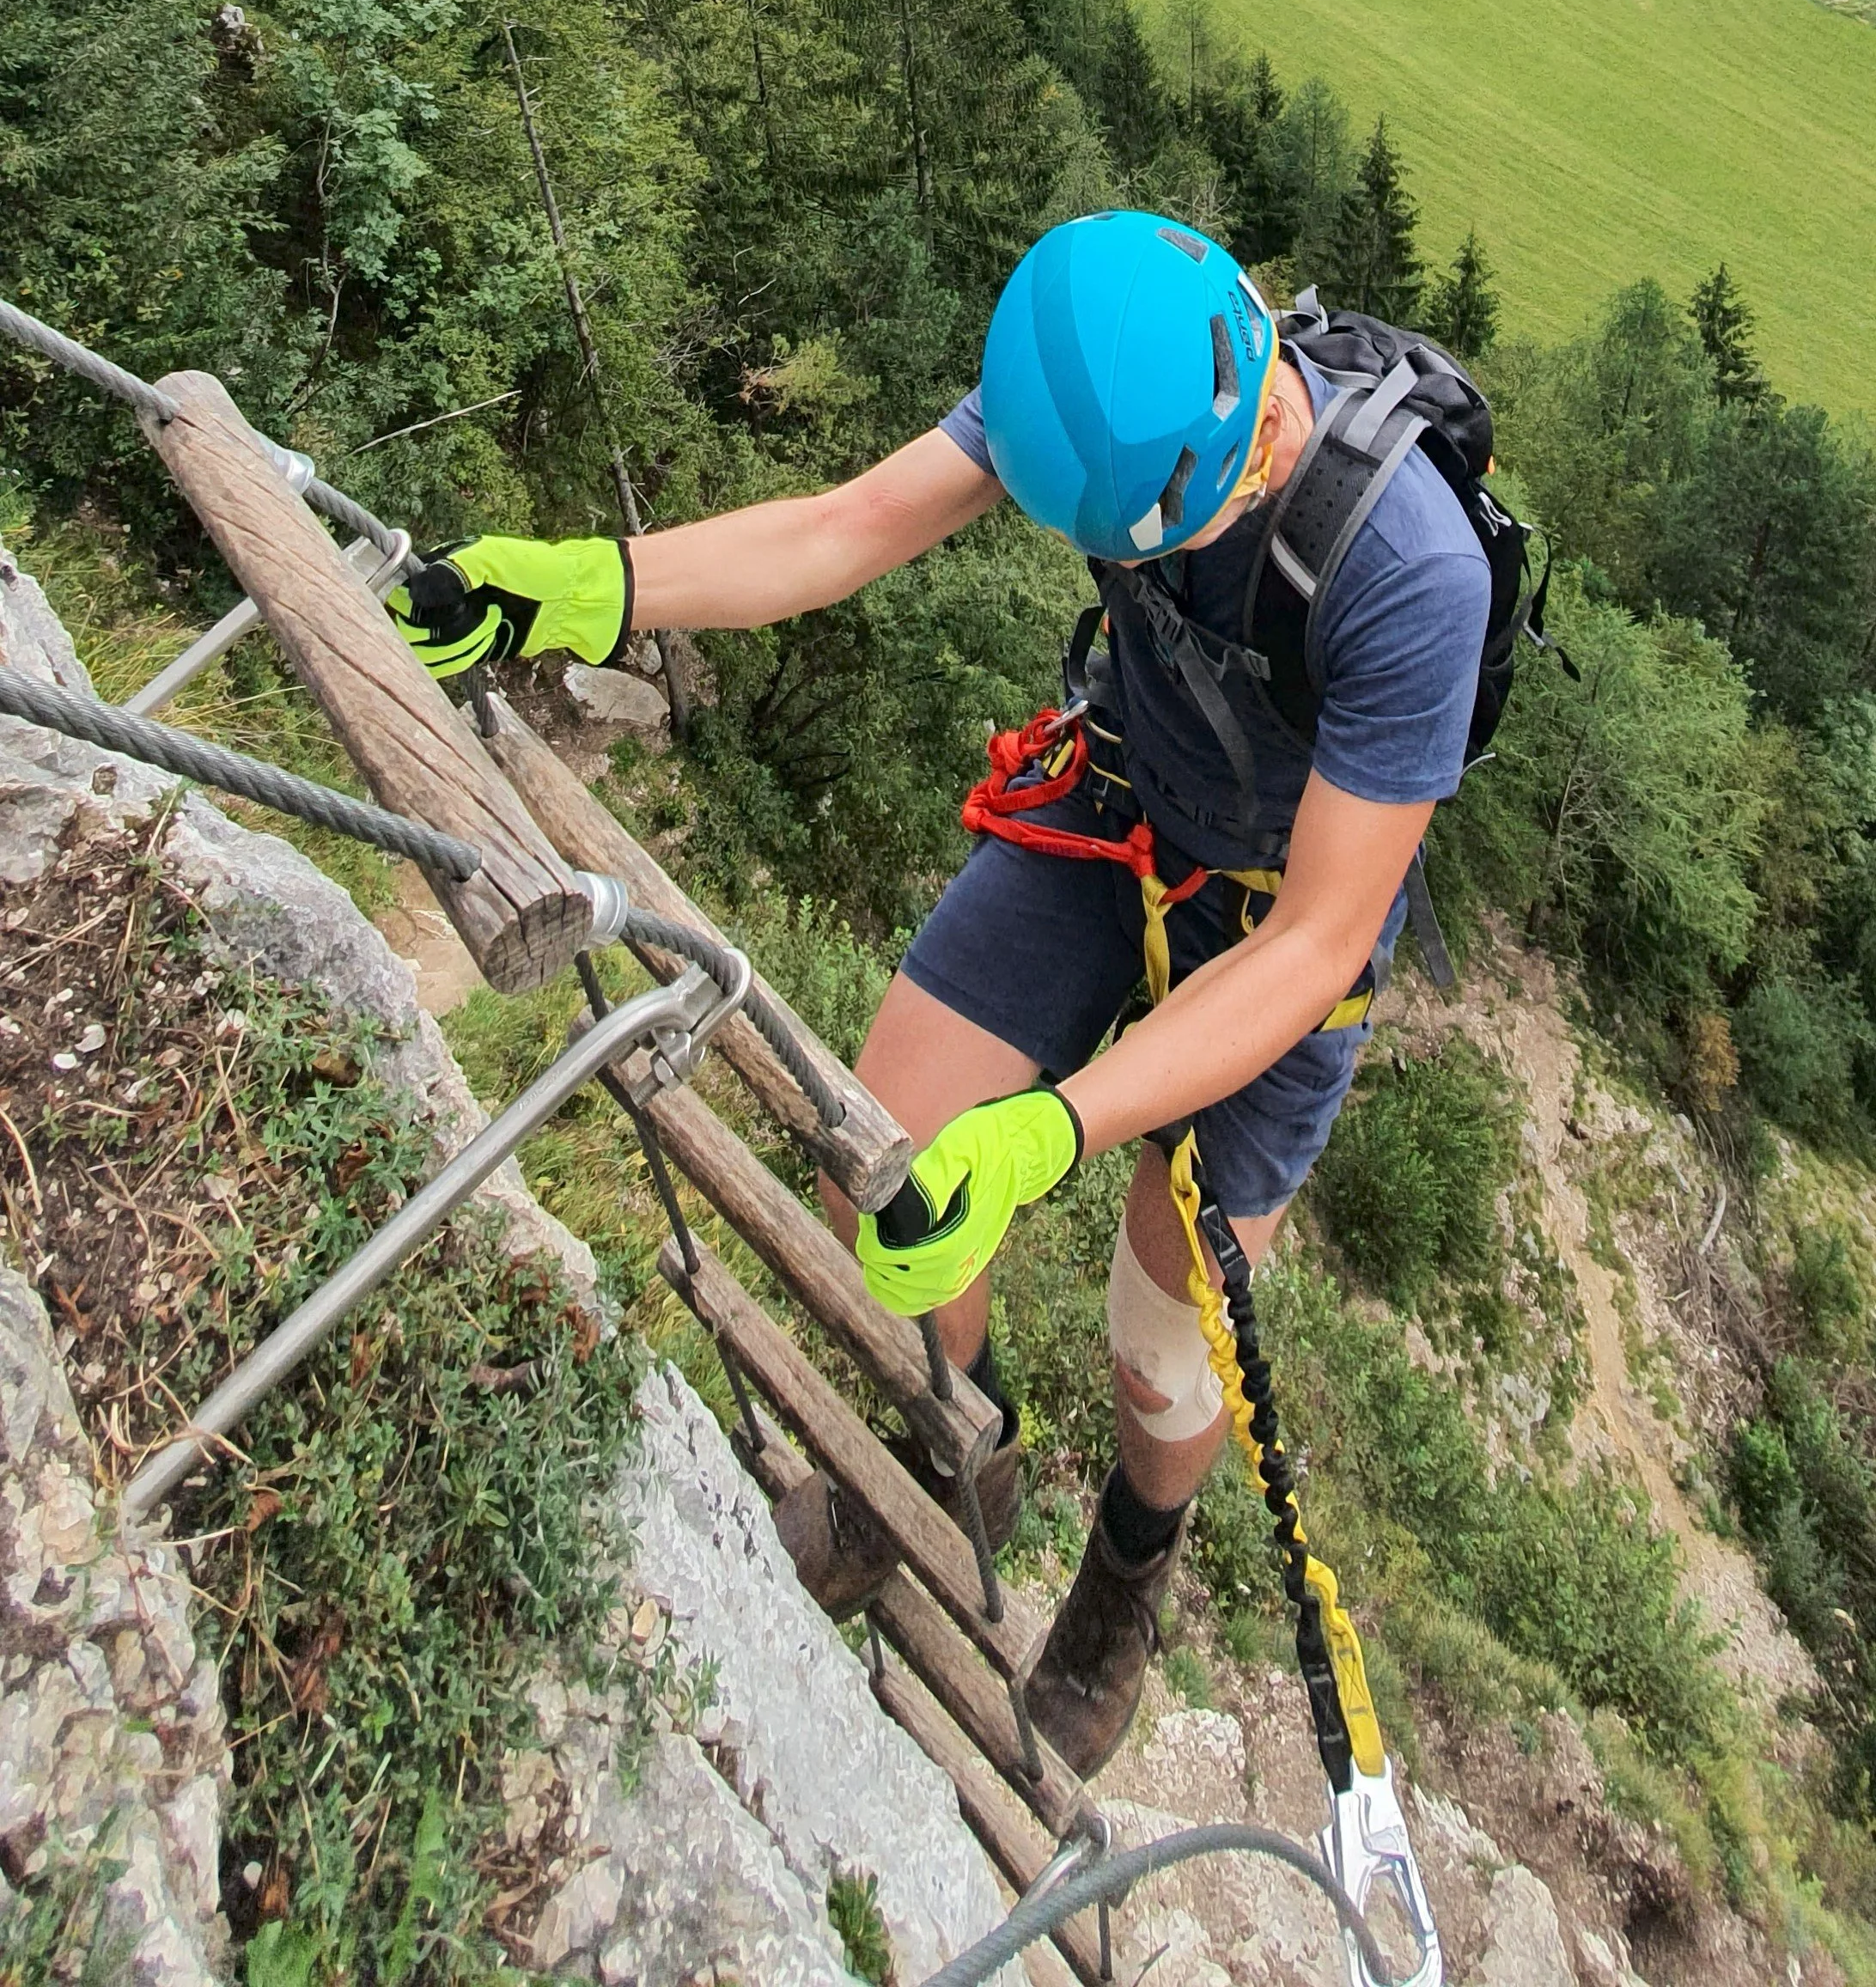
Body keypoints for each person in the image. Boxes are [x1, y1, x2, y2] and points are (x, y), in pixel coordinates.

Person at [391, 211, 1489, 1773]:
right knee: (886, 1157)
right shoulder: (1096, 356)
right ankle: (956, 1452)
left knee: (1161, 1335)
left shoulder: (1406, 575)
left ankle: (1125, 1575)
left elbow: (1315, 945)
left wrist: (1053, 1133)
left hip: (1276, 911)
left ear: (1222, 469)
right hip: (1119, 804)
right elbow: (846, 527)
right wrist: (587, 588)